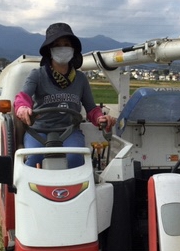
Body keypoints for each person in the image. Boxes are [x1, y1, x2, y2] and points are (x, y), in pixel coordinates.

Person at [14, 22, 115, 168]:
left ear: (73, 49)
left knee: (76, 158)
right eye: (57, 45)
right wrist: (23, 108)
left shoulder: (80, 79)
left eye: (66, 44)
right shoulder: (37, 75)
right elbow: (23, 97)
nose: (62, 48)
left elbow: (92, 110)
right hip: (39, 131)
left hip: (69, 132)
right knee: (33, 158)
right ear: (50, 50)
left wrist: (100, 118)